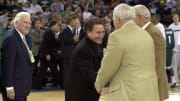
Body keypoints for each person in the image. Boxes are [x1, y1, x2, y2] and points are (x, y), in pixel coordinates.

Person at [95, 3, 159, 101]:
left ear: (117, 19)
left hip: (127, 93)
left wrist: (99, 84)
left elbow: (109, 66)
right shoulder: (146, 35)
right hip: (149, 91)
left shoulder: (116, 36)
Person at [133, 5, 169, 101]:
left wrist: (151, 84)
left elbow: (159, 61)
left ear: (140, 17)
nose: (131, 20)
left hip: (154, 85)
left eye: (133, 17)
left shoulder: (153, 32)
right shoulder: (146, 31)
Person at [65, 17, 105, 101]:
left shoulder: (95, 43)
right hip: (80, 94)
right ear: (88, 32)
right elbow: (89, 74)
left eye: (103, 32)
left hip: (88, 91)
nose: (101, 36)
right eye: (98, 33)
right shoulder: (83, 49)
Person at [1, 12, 34, 101]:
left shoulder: (23, 37)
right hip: (14, 88)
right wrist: (9, 87)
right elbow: (7, 65)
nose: (28, 25)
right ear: (16, 23)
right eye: (25, 22)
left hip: (21, 87)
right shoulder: (11, 38)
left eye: (29, 23)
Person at [168, 12, 180, 88]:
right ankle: (174, 81)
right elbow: (169, 39)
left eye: (176, 17)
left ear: (179, 18)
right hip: (174, 49)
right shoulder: (170, 27)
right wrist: (171, 48)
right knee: (174, 66)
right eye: (174, 17)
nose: (175, 19)